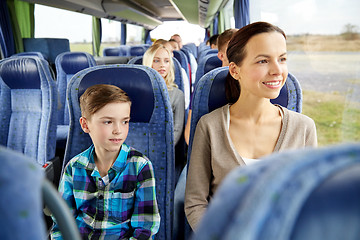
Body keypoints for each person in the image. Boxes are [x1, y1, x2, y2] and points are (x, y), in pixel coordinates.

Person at [185, 21, 317, 230]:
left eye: (282, 59)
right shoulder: (209, 126)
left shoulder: (303, 128)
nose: (277, 70)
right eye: (263, 61)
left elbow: (309, 204)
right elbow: (196, 204)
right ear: (235, 70)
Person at [51, 84, 160, 239]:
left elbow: (145, 229)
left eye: (125, 122)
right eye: (108, 122)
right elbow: (62, 224)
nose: (118, 130)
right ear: (85, 124)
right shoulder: (74, 167)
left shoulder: (140, 166)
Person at [184, 28, 238, 145]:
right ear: (221, 55)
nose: (239, 54)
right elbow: (189, 133)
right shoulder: (205, 86)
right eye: (232, 50)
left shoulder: (252, 83)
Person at [143, 44, 185, 146]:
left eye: (166, 61)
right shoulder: (139, 92)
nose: (162, 65)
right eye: (156, 61)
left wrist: (163, 149)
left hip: (164, 148)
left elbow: (177, 129)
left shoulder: (177, 94)